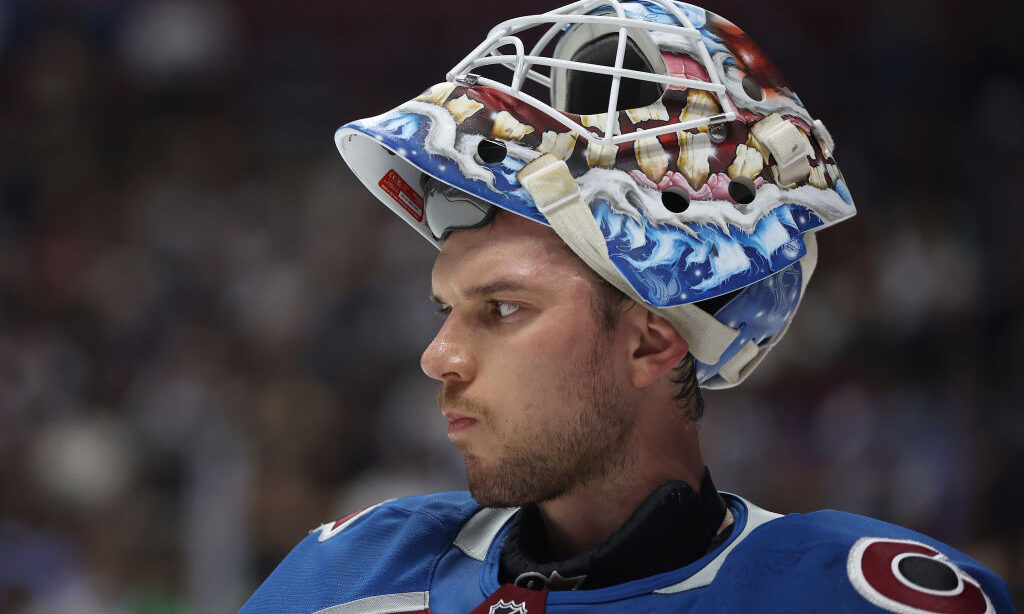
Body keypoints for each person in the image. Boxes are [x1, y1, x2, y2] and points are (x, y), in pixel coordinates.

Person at [240, 1, 1015, 612]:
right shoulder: (345, 575)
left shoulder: (854, 598)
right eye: (445, 307)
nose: (438, 356)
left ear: (651, 342)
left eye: (502, 309)